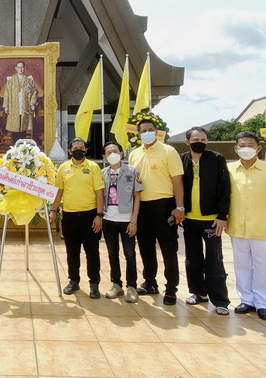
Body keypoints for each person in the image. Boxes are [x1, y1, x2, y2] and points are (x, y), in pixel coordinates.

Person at [227, 131, 266, 321]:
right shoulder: (228, 170)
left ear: (258, 148)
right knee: (241, 266)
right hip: (237, 226)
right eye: (242, 145)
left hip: (264, 228)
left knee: (264, 266)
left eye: (250, 145)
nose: (246, 148)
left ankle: (262, 302)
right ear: (236, 148)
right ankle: (246, 300)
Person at [128, 119, 185, 305]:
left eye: (150, 129)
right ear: (138, 134)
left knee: (168, 248)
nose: (147, 132)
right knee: (146, 247)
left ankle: (171, 288)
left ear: (156, 131)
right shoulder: (134, 154)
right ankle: (150, 283)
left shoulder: (168, 151)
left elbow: (177, 181)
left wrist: (179, 207)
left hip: (164, 205)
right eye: (143, 130)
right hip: (142, 207)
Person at [180, 127, 231, 315]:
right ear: (187, 142)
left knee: (214, 260)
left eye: (203, 139)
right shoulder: (182, 159)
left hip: (211, 220)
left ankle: (220, 300)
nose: (199, 142)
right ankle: (199, 293)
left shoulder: (216, 158)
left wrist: (222, 216)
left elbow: (225, 187)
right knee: (193, 259)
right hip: (189, 219)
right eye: (195, 139)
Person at [49, 138, 104, 299]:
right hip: (69, 216)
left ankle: (94, 283)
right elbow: (59, 191)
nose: (78, 150)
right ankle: (74, 281)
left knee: (92, 252)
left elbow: (99, 192)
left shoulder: (93, 167)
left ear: (86, 150)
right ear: (69, 151)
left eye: (81, 147)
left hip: (90, 216)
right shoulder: (63, 168)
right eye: (75, 148)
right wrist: (53, 210)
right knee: (72, 252)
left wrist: (99, 215)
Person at [101, 141, 143, 303]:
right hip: (109, 219)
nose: (112, 155)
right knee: (112, 253)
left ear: (121, 153)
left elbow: (137, 196)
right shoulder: (102, 173)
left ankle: (131, 286)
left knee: (130, 253)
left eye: (115, 151)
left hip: (127, 220)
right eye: (108, 152)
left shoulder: (132, 171)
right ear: (104, 157)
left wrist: (134, 221)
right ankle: (116, 284)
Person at [2, 61, 38, 142]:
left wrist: (32, 103)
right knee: (15, 127)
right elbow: (7, 93)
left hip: (25, 106)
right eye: (18, 67)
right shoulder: (11, 80)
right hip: (14, 106)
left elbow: (34, 91)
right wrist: (6, 106)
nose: (20, 69)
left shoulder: (29, 80)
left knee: (23, 127)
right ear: (16, 68)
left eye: (22, 67)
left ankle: (22, 145)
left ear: (24, 68)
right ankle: (15, 144)